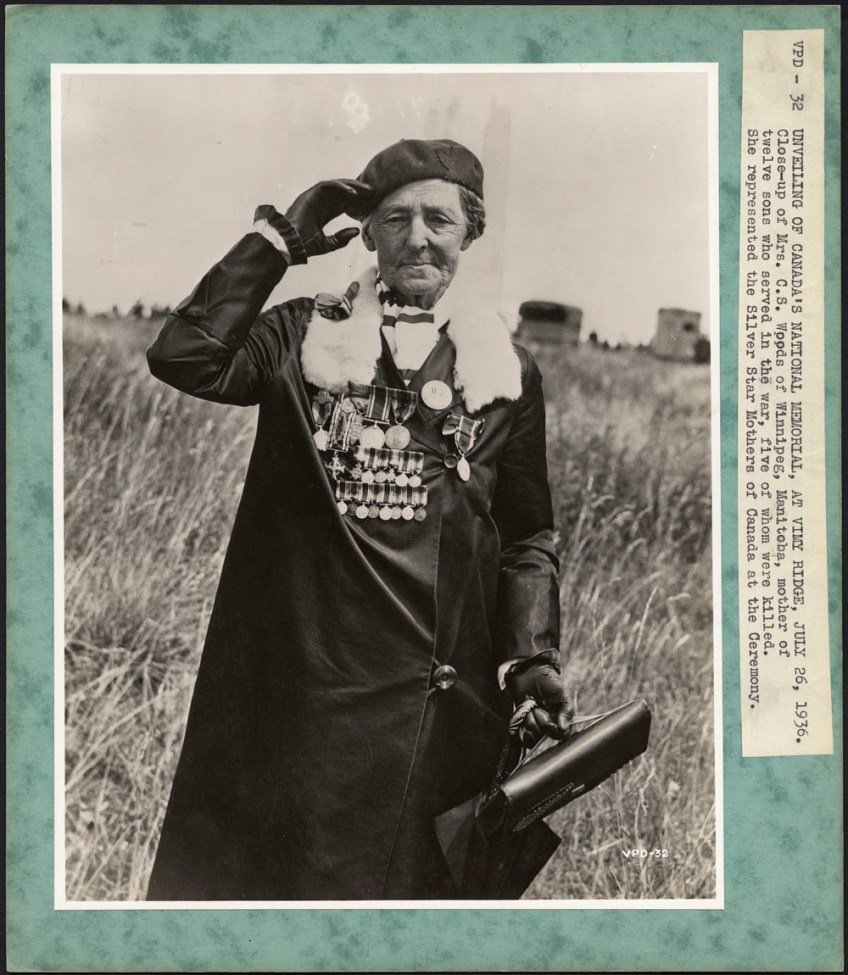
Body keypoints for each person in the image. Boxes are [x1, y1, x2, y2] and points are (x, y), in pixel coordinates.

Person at [145, 138, 572, 900]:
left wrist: (531, 654)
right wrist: (280, 240)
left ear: (469, 233)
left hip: (435, 708)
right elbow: (185, 354)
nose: (418, 237)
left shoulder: (506, 372)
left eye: (439, 218)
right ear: (367, 232)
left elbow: (527, 533)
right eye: (396, 217)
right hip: (308, 697)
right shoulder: (301, 334)